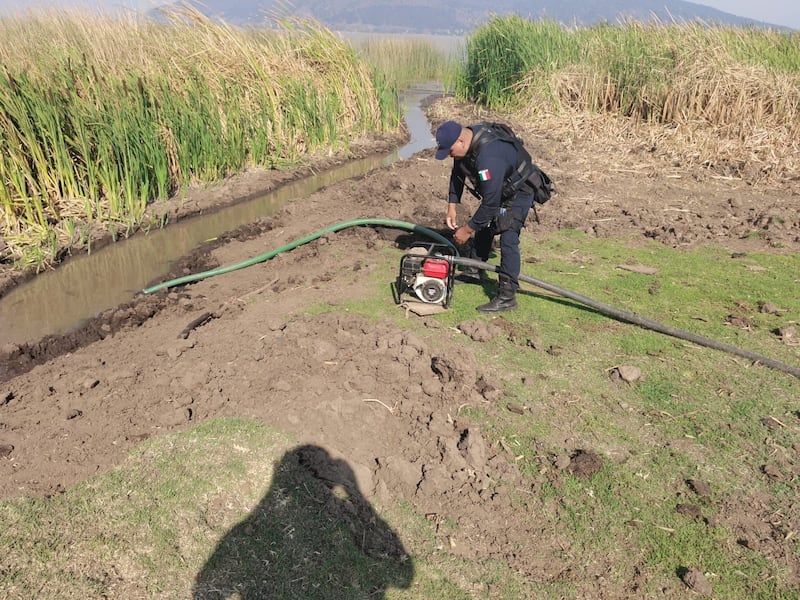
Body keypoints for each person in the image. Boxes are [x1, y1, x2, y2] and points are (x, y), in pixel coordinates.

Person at [434, 120, 536, 312]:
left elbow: (490, 204)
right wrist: (451, 206)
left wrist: (467, 229)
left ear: (461, 142)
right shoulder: (467, 143)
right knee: (486, 224)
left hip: (520, 191)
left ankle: (507, 296)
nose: (449, 155)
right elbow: (457, 174)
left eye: (450, 150)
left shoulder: (489, 157)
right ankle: (474, 269)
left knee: (508, 236)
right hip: (500, 187)